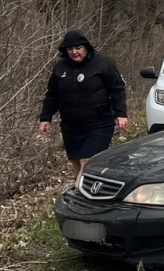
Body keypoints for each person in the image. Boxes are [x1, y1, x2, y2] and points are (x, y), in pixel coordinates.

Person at [39, 30, 128, 180]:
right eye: (70, 49)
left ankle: (78, 192)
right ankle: (84, 195)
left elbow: (117, 89)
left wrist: (120, 113)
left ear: (86, 47)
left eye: (78, 48)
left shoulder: (103, 63)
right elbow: (52, 94)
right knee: (76, 163)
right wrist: (45, 117)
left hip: (98, 123)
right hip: (71, 126)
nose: (74, 52)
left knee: (87, 162)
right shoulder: (60, 67)